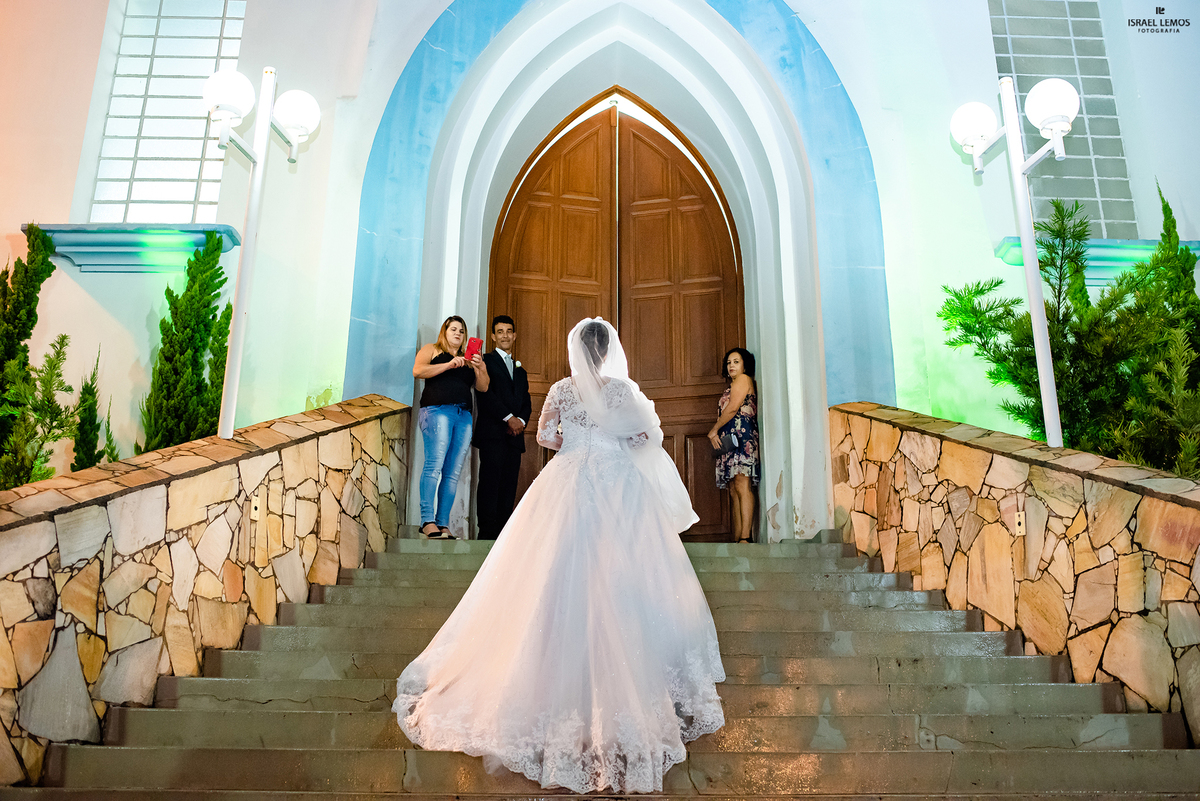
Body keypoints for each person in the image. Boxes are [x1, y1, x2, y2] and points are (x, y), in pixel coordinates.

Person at [394, 317, 724, 794]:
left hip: (568, 480)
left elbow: (546, 436)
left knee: (552, 575)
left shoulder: (562, 390)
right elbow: (641, 439)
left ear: (576, 351)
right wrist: (613, 440)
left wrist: (577, 440)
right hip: (619, 486)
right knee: (625, 578)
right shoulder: (624, 393)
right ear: (608, 350)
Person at [413, 316, 489, 538]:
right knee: (434, 465)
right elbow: (418, 371)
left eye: (462, 331)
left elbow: (482, 388)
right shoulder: (433, 350)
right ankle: (427, 520)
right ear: (444, 332)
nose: (458, 333)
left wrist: (480, 367)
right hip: (437, 411)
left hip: (463, 415)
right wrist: (447, 365)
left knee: (452, 472)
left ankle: (443, 523)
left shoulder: (468, 358)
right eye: (453, 329)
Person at [472, 315, 532, 540]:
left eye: (509, 331)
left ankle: (503, 536)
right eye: (500, 331)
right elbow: (486, 395)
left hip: (515, 436)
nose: (505, 335)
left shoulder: (521, 370)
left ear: (514, 335)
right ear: (492, 336)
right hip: (493, 433)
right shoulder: (484, 361)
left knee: (509, 485)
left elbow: (526, 401)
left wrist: (521, 422)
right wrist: (508, 418)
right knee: (490, 482)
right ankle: (486, 533)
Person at [708, 347, 759, 543]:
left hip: (742, 437)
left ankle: (746, 537)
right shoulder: (732, 384)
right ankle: (738, 538)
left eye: (736, 361)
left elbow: (732, 409)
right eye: (729, 362)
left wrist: (714, 430)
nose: (731, 366)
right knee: (733, 488)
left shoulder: (743, 380)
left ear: (745, 364)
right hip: (730, 440)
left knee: (742, 484)